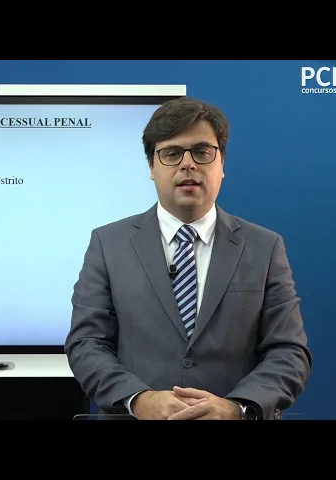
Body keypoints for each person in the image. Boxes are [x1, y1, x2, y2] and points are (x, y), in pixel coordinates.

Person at [64, 96, 312, 420]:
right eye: (171, 153)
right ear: (151, 168)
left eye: (202, 152)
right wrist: (139, 400)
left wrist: (236, 407)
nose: (188, 164)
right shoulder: (108, 244)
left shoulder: (265, 247)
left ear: (222, 164)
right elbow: (86, 343)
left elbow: (289, 351)